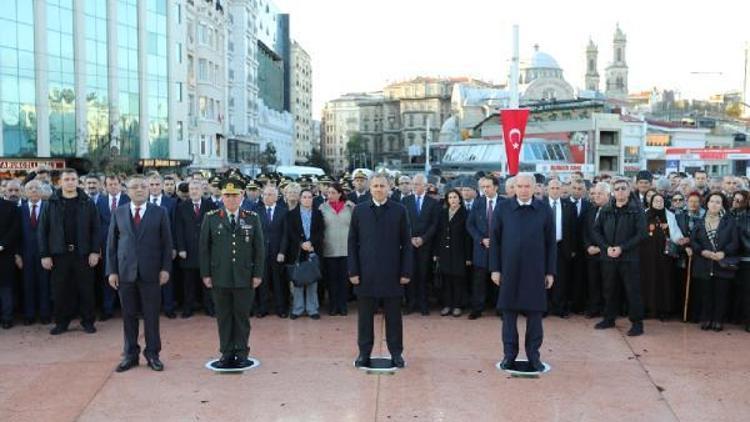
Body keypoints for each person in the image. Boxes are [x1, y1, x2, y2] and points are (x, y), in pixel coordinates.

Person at [489, 173, 556, 372]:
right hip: (509, 270)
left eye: (527, 186)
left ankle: (534, 356)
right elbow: (495, 240)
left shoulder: (544, 209)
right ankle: (509, 355)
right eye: (520, 186)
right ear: (514, 188)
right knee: (508, 315)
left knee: (535, 316)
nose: (524, 190)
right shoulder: (503, 208)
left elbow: (551, 243)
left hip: (535, 271)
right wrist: (495, 269)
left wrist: (550, 272)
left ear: (534, 188)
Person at [106, 176, 173, 372]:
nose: (140, 190)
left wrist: (165, 269)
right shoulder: (118, 213)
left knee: (152, 316)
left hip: (151, 272)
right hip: (125, 273)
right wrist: (111, 271)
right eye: (135, 187)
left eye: (143, 186)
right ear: (127, 191)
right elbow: (111, 245)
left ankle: (153, 354)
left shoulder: (160, 212)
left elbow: (167, 244)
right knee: (128, 316)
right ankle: (130, 355)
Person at [200, 174, 265, 369]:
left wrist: (257, 274)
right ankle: (227, 353)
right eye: (227, 195)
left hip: (244, 276)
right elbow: (204, 248)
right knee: (224, 317)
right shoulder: (211, 218)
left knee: (242, 317)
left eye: (235, 195)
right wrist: (206, 274)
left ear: (242, 196)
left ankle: (242, 352)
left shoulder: (252, 218)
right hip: (220, 276)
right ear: (221, 196)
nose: (231, 199)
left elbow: (259, 249)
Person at [348, 173, 412, 368]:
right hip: (365, 273)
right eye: (375, 186)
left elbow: (406, 244)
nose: (378, 189)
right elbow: (352, 243)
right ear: (370, 188)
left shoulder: (399, 210)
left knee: (394, 317)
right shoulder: (359, 211)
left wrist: (405, 272)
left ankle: (396, 353)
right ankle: (364, 353)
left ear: (389, 188)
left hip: (392, 273)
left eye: (382, 186)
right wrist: (353, 271)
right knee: (365, 318)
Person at [39, 169, 102, 335]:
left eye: (73, 179)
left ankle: (88, 321)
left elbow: (96, 229)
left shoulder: (87, 202)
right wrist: (45, 254)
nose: (70, 182)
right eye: (66, 179)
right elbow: (42, 231)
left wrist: (95, 251)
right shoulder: (50, 203)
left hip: (83, 253)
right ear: (60, 182)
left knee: (86, 289)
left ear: (77, 182)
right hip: (59, 254)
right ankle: (61, 322)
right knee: (60, 290)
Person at [592, 178, 647, 336]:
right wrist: (606, 248)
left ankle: (637, 323)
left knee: (632, 291)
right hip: (608, 257)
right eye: (617, 189)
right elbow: (596, 231)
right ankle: (609, 318)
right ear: (613, 192)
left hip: (629, 258)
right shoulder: (606, 209)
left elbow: (641, 234)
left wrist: (622, 248)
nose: (620, 192)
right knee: (609, 290)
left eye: (623, 188)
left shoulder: (637, 210)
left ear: (629, 190)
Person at [691, 192, 739, 332]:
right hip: (704, 262)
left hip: (722, 262)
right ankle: (706, 318)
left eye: (718, 202)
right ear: (707, 203)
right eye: (712, 201)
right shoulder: (699, 221)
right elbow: (694, 241)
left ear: (722, 205)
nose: (714, 204)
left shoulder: (729, 221)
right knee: (705, 293)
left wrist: (723, 253)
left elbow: (734, 242)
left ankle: (718, 320)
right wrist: (702, 251)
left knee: (721, 293)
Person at [279, 189, 324, 319]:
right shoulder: (291, 214)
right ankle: (297, 309)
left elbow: (320, 231)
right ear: (300, 199)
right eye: (304, 197)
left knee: (312, 279)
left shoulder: (318, 214)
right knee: (297, 280)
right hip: (297, 250)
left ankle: (312, 309)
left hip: (312, 250)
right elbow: (290, 233)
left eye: (309, 197)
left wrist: (311, 243)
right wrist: (301, 243)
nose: (307, 199)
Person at [175, 180, 217, 318]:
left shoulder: (211, 205)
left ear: (202, 190)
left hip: (207, 250)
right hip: (188, 250)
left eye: (196, 189)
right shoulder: (181, 207)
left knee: (207, 281)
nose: (194, 191)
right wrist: (180, 248)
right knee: (189, 282)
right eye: (191, 189)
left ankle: (209, 307)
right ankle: (189, 307)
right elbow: (178, 229)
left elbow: (215, 229)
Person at [641, 193, 686, 320]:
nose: (658, 203)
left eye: (661, 201)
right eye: (656, 201)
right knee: (648, 281)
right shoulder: (644, 214)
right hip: (647, 256)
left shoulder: (670, 216)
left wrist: (681, 241)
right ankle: (648, 308)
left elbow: (676, 233)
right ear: (651, 202)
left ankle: (664, 310)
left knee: (664, 281)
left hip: (665, 255)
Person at [402, 174, 439, 315]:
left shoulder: (433, 203)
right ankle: (410, 303)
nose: (416, 186)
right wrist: (410, 238)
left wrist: (423, 239)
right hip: (409, 244)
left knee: (424, 275)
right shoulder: (405, 201)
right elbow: (403, 223)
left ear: (425, 186)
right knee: (410, 273)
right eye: (414, 184)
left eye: (418, 184)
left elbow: (434, 225)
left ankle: (423, 304)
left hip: (426, 245)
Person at [466, 176, 502, 319]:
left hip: (499, 249)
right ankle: (477, 309)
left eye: (488, 186)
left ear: (496, 187)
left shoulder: (504, 203)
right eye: (483, 187)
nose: (485, 190)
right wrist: (481, 239)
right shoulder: (478, 203)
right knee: (479, 281)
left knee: (500, 280)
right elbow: (470, 225)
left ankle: (501, 308)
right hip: (481, 248)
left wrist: (497, 240)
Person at [96, 174, 130, 320]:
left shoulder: (128, 200)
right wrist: (98, 247)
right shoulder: (101, 201)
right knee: (108, 276)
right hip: (106, 245)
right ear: (105, 186)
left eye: (115, 184)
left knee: (127, 277)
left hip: (125, 245)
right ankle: (108, 309)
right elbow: (96, 225)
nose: (113, 187)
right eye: (110, 184)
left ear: (120, 185)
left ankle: (128, 309)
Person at [319, 183, 355, 316]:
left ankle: (343, 305)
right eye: (328, 193)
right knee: (332, 280)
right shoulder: (322, 208)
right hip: (329, 248)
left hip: (346, 249)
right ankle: (333, 306)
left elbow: (355, 226)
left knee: (344, 280)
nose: (330, 195)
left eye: (333, 192)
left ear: (340, 194)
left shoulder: (350, 207)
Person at [434, 189, 471, 317]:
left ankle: (457, 306)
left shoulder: (465, 214)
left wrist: (468, 257)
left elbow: (468, 237)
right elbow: (439, 234)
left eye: (455, 197)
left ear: (459, 199)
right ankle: (447, 305)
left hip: (459, 253)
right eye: (450, 197)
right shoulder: (443, 213)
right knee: (446, 279)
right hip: (445, 252)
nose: (452, 200)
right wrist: (436, 253)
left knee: (458, 280)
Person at [255, 185, 289, 318]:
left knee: (278, 281)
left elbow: (285, 234)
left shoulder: (283, 211)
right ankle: (263, 308)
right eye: (265, 195)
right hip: (262, 253)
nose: (267, 197)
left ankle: (280, 308)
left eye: (270, 194)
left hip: (277, 253)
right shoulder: (256, 211)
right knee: (263, 281)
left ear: (276, 197)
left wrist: (282, 251)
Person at [19, 181, 50, 325]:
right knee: (28, 285)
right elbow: (16, 234)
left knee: (45, 284)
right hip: (26, 254)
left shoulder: (48, 208)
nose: (33, 190)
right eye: (30, 188)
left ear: (42, 191)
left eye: (36, 188)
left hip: (45, 254)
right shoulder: (20, 210)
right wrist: (18, 254)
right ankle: (29, 315)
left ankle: (45, 314)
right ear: (25, 193)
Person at [545, 179, 577, 318]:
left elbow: (574, 229)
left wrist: (573, 248)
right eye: (552, 188)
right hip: (544, 248)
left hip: (562, 246)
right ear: (547, 189)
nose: (555, 190)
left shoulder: (569, 205)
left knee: (561, 279)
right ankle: (544, 307)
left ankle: (559, 307)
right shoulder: (540, 205)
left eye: (558, 188)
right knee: (543, 276)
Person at [147, 173, 178, 319]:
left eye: (157, 184)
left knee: (167, 278)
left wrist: (173, 247)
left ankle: (168, 307)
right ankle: (150, 308)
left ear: (162, 186)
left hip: (165, 246)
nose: (154, 187)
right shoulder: (142, 201)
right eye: (151, 185)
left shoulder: (171, 203)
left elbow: (175, 226)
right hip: (146, 248)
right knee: (147, 279)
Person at [581, 182, 610, 318]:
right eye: (595, 194)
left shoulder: (613, 210)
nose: (596, 196)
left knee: (607, 284)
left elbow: (614, 234)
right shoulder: (590, 210)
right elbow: (585, 231)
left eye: (600, 194)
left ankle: (607, 310)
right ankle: (594, 308)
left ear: (608, 195)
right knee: (593, 282)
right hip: (591, 254)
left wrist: (600, 248)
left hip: (607, 254)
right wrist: (588, 246)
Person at [0, 196, 21, 328]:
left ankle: (7, 318)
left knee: (5, 287)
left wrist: (2, 245)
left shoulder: (11, 206)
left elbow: (15, 229)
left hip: (5, 253)